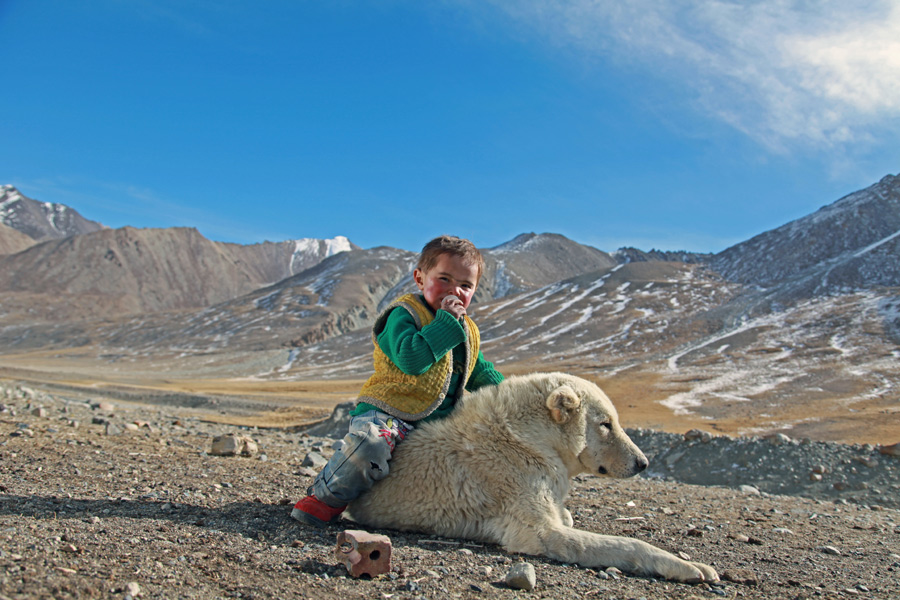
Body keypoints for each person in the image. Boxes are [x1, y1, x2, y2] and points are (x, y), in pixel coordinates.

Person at [291, 235, 504, 526]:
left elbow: (476, 369)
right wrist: (445, 323)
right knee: (371, 446)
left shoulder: (466, 329)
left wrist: (508, 393)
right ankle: (325, 497)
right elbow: (411, 359)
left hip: (435, 425)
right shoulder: (403, 315)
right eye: (444, 279)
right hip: (389, 414)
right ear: (420, 278)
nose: (454, 290)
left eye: (465, 285)